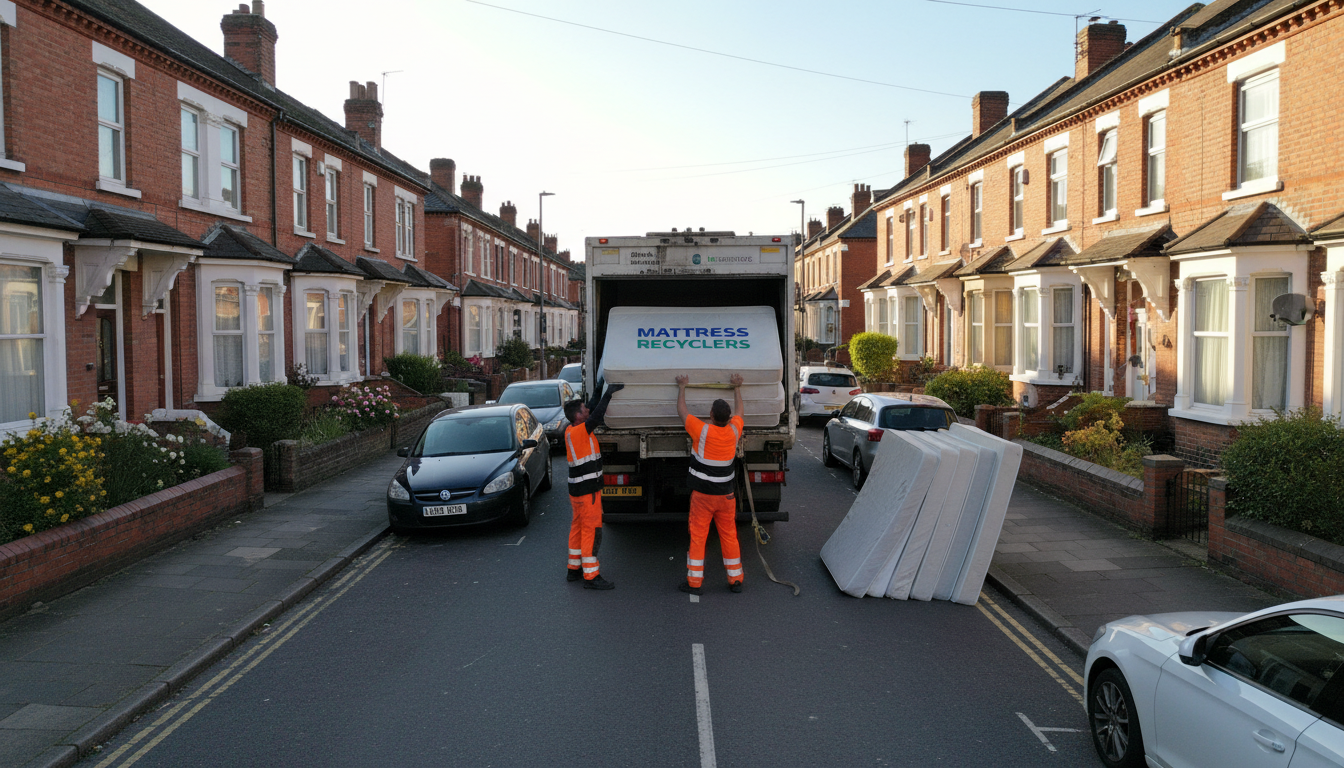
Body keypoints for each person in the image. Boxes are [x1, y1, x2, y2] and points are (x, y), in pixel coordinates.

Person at [674, 372, 746, 595]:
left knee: (698, 537)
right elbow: (741, 411)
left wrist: (682, 386)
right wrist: (736, 387)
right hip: (726, 496)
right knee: (729, 535)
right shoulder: (735, 431)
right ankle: (735, 580)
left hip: (703, 496)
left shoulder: (702, 430)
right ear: (729, 418)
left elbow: (682, 411)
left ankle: (694, 584)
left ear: (711, 415)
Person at [563, 377, 623, 590]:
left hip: (577, 491)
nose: (587, 410)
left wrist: (599, 388)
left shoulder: (572, 430)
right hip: (588, 492)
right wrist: (609, 393)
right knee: (592, 530)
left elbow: (592, 409)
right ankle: (591, 576)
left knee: (577, 528)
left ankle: (574, 569)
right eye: (583, 409)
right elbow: (597, 416)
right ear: (578, 417)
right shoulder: (581, 432)